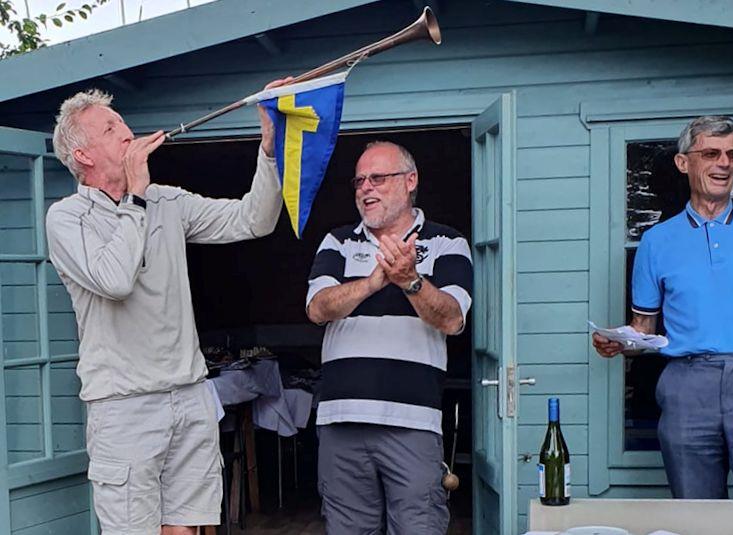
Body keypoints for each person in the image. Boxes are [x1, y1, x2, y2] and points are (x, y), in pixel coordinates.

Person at [46, 78, 291, 534]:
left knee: (189, 530)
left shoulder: (169, 201)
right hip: (124, 407)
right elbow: (114, 280)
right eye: (109, 129)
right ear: (83, 156)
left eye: (123, 123)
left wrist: (270, 148)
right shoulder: (66, 218)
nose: (126, 133)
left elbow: (254, 220)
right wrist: (136, 197)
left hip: (191, 393)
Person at [593, 115, 733, 500]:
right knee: (695, 511)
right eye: (711, 153)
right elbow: (644, 329)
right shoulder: (656, 241)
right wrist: (620, 341)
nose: (724, 163)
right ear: (683, 162)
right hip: (687, 384)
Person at [306, 141, 473, 534]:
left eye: (378, 178)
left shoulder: (446, 242)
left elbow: (451, 318)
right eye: (360, 181)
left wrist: (410, 281)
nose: (367, 188)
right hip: (341, 421)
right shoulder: (338, 241)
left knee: (418, 527)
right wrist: (372, 282)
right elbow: (317, 308)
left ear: (410, 181)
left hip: (411, 422)